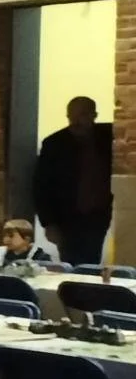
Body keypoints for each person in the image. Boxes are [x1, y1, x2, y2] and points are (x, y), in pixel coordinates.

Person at [34, 96, 114, 266]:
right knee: (70, 262)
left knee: (91, 262)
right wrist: (48, 222)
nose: (76, 121)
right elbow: (42, 185)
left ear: (94, 115)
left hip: (97, 214)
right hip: (66, 217)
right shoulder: (54, 144)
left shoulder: (107, 138)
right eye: (72, 115)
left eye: (82, 115)